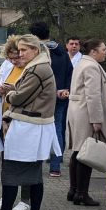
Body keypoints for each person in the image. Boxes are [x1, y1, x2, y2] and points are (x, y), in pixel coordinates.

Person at [0, 34, 60, 210]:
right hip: (35, 127)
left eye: (25, 50)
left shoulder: (37, 69)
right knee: (33, 176)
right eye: (20, 50)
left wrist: (8, 93)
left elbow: (20, 97)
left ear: (35, 50)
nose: (21, 53)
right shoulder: (41, 67)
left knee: (11, 173)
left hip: (28, 127)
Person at [66, 39, 106, 207]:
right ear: (94, 51)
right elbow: (93, 95)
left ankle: (74, 190)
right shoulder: (91, 66)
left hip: (78, 111)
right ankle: (82, 193)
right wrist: (96, 119)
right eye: (104, 49)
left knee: (78, 152)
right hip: (86, 113)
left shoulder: (83, 63)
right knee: (86, 155)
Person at [0, 37, 31, 210]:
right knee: (6, 160)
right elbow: (1, 87)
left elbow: (27, 94)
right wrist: (0, 90)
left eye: (17, 57)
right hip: (5, 119)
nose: (14, 61)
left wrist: (11, 90)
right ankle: (6, 195)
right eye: (10, 58)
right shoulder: (9, 66)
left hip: (22, 121)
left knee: (24, 162)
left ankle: (25, 199)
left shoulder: (31, 70)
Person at [29, 22, 72, 179]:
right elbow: (70, 72)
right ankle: (55, 166)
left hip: (41, 97)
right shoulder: (62, 51)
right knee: (57, 129)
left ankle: (35, 165)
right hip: (60, 96)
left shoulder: (39, 52)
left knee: (37, 129)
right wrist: (66, 89)